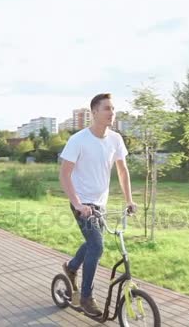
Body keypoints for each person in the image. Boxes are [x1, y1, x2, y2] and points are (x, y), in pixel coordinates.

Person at [59, 93, 137, 316]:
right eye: (107, 108)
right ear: (94, 112)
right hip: (81, 202)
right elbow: (64, 174)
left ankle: (72, 267)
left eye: (113, 109)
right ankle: (86, 297)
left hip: (100, 204)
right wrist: (77, 204)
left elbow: (123, 171)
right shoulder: (78, 140)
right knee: (97, 246)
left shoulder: (115, 139)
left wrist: (129, 200)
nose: (111, 112)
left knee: (94, 242)